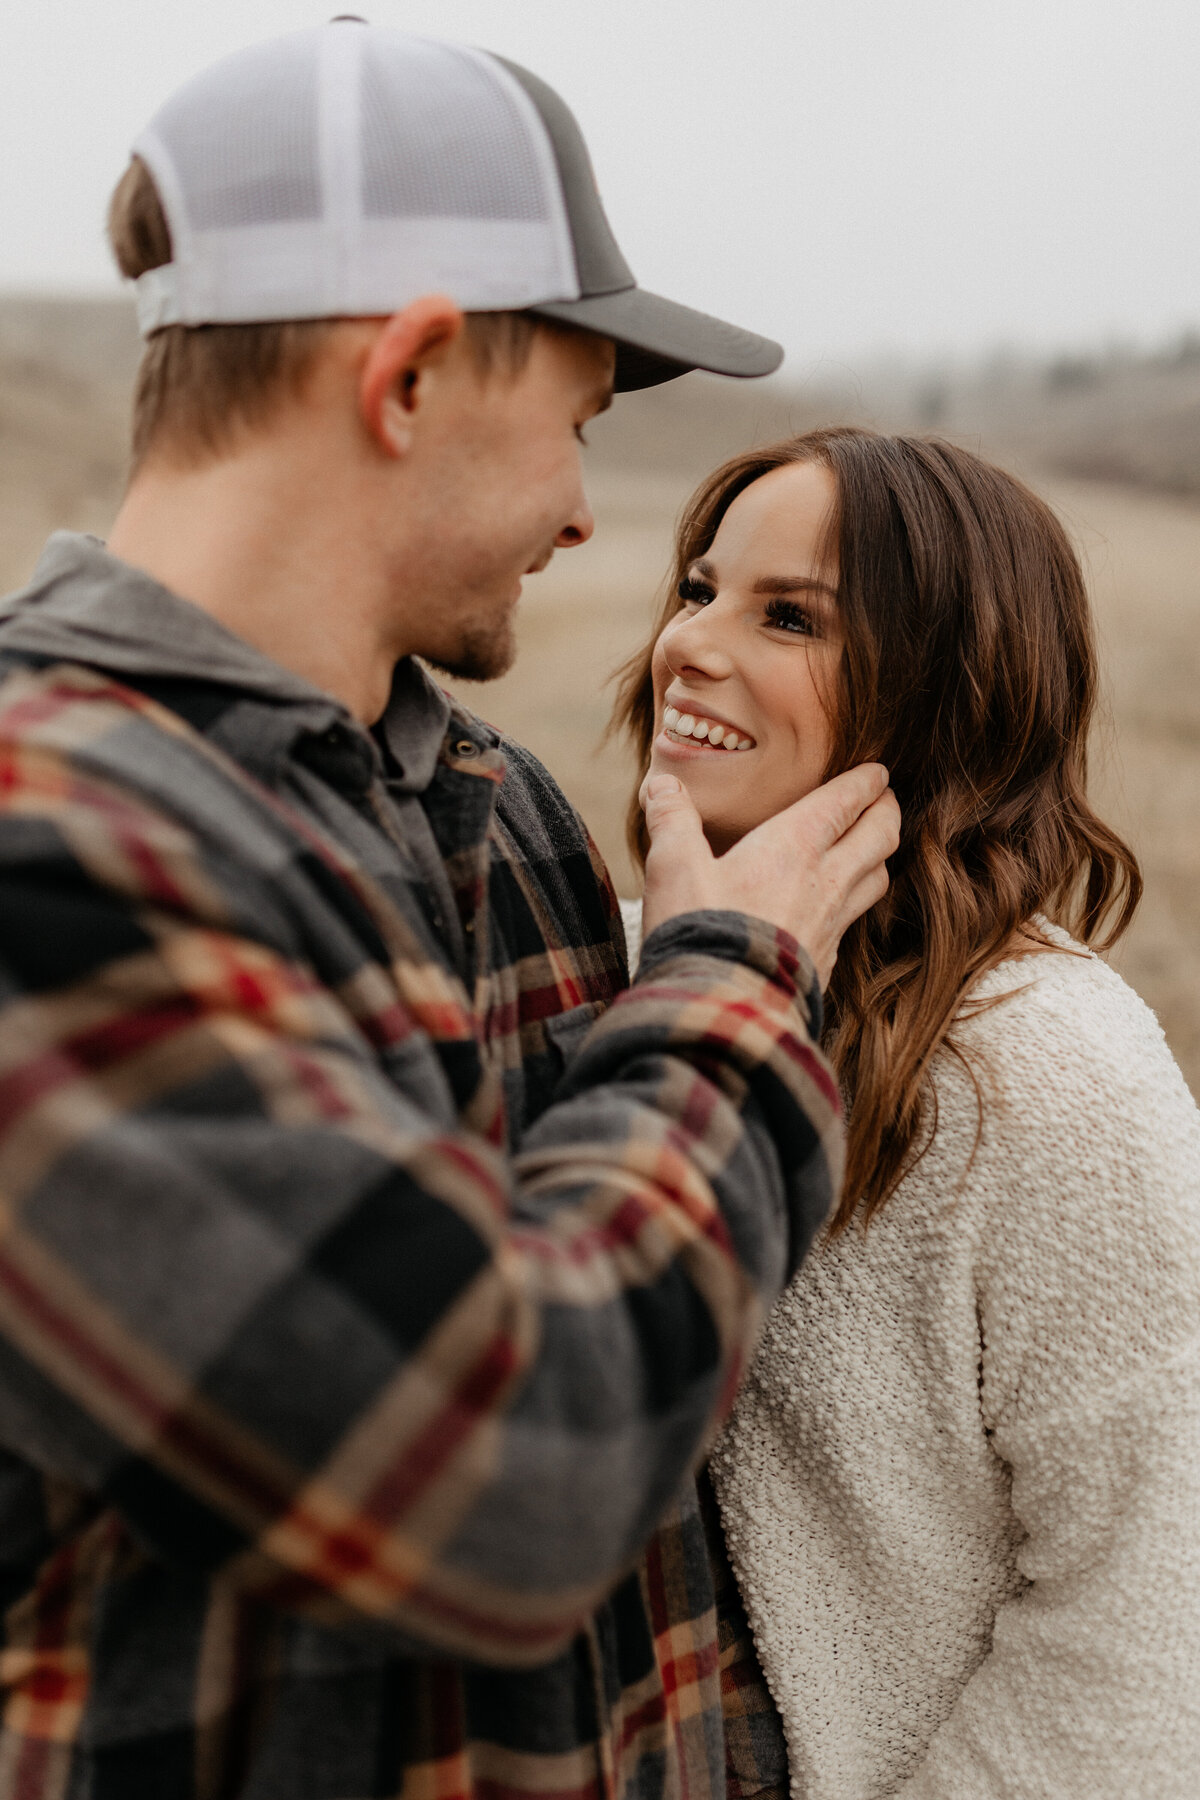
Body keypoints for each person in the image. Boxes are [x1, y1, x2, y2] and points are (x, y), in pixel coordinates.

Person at [0, 25, 900, 1800]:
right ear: (407, 375)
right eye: (573, 422)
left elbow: (662, 1542)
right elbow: (520, 1472)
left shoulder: (490, 800)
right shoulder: (50, 838)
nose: (586, 513)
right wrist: (735, 985)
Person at [614, 427, 1200, 1798]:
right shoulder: (640, 976)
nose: (689, 644)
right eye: (699, 588)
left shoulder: (1053, 1071)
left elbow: (1147, 1620)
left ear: (947, 686)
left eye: (789, 617)